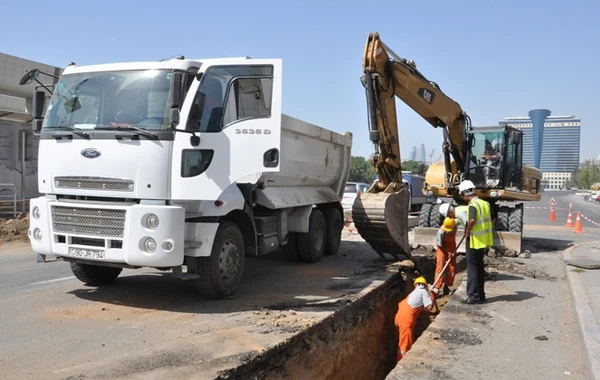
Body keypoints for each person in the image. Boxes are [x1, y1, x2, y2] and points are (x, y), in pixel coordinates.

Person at [458, 179, 493, 304]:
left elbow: (472, 220)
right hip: (483, 241)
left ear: (465, 193)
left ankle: (473, 296)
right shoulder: (485, 204)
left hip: (474, 241)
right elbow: (492, 219)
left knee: (472, 270)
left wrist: (467, 232)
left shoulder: (472, 205)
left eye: (462, 195)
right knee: (479, 268)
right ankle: (481, 295)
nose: (462, 197)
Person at [394, 276, 439, 362]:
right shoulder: (423, 292)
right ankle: (401, 363)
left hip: (398, 319)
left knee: (406, 340)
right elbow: (429, 307)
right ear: (425, 286)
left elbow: (418, 309)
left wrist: (432, 314)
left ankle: (407, 356)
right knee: (404, 346)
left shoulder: (413, 294)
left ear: (415, 285)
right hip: (406, 322)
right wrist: (432, 296)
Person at [432, 203, 457, 297]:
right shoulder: (441, 232)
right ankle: (436, 288)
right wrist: (448, 252)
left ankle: (447, 287)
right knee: (440, 267)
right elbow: (440, 244)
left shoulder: (454, 224)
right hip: (442, 249)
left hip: (452, 248)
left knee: (452, 268)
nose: (449, 232)